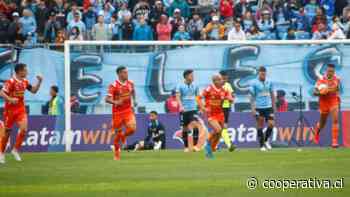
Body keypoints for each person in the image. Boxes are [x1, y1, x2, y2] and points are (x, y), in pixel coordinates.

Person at [0, 63, 43, 164]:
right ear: (20, 71)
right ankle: (1, 153)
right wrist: (10, 98)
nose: (27, 72)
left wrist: (39, 81)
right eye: (25, 70)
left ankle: (15, 150)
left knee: (24, 129)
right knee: (7, 133)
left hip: (20, 109)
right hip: (9, 111)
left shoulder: (25, 81)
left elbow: (33, 91)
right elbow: (1, 92)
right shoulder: (11, 82)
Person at [197, 74, 233, 158]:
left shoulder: (224, 90)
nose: (222, 81)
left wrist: (230, 99)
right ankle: (207, 145)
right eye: (220, 79)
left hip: (220, 114)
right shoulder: (209, 89)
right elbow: (198, 98)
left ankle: (210, 150)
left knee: (219, 133)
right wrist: (203, 108)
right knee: (218, 130)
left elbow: (230, 98)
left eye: (222, 79)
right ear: (215, 81)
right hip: (211, 114)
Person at [105, 66, 137, 160]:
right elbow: (107, 99)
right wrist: (116, 102)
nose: (126, 74)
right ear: (119, 74)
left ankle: (124, 136)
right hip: (117, 113)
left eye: (127, 72)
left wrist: (134, 101)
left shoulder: (130, 83)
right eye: (124, 72)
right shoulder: (113, 85)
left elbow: (133, 92)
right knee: (117, 134)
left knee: (132, 129)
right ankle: (116, 154)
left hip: (128, 111)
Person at [176, 69, 206, 152]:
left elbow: (197, 98)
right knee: (185, 128)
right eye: (191, 75)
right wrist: (181, 106)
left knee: (195, 125)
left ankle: (195, 146)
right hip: (184, 110)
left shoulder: (195, 86)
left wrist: (201, 107)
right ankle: (186, 147)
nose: (193, 77)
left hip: (193, 109)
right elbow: (178, 97)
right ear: (186, 76)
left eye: (193, 75)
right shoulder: (180, 86)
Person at [312, 64, 341, 148]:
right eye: (329, 71)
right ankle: (317, 132)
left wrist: (326, 90)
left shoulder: (337, 79)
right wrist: (320, 92)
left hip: (333, 101)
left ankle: (334, 142)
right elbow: (314, 92)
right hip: (323, 102)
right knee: (322, 124)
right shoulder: (320, 80)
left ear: (334, 72)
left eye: (332, 71)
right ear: (326, 71)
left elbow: (336, 89)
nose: (330, 73)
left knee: (335, 119)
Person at [249, 66, 276, 151]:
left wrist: (274, 105)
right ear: (258, 73)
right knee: (260, 125)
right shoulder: (253, 83)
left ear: (265, 73)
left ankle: (266, 140)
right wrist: (253, 108)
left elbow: (272, 94)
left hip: (268, 107)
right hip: (258, 107)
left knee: (271, 124)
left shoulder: (270, 81)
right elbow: (251, 96)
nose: (263, 75)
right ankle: (261, 146)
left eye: (264, 73)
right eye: (261, 74)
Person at [219, 70, 235, 151]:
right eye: (223, 77)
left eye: (225, 77)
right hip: (218, 107)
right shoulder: (216, 86)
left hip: (226, 107)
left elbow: (232, 95)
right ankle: (228, 143)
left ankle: (227, 144)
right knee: (219, 127)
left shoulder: (228, 85)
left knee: (224, 126)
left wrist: (232, 98)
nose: (225, 78)